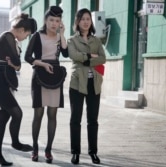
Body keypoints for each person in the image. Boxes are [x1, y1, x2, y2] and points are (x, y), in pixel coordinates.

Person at [0, 13, 37, 166]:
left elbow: (18, 65)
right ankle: (15, 143)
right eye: (26, 35)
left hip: (2, 81)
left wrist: (15, 63)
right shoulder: (7, 36)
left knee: (4, 117)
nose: (25, 38)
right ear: (21, 29)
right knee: (17, 113)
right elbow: (17, 62)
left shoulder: (11, 40)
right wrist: (15, 62)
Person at [24, 6, 68, 164]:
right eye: (51, 20)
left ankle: (48, 150)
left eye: (57, 21)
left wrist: (62, 34)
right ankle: (35, 148)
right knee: (38, 115)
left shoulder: (59, 37)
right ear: (46, 20)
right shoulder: (37, 36)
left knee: (52, 115)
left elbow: (66, 53)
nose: (54, 23)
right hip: (40, 76)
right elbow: (27, 57)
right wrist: (41, 64)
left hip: (55, 77)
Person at [67, 8, 106, 165]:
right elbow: (73, 56)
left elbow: (103, 58)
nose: (86, 21)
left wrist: (85, 59)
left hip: (94, 83)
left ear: (91, 21)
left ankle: (93, 152)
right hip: (77, 83)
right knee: (75, 119)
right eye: (82, 18)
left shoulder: (96, 41)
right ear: (77, 21)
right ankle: (75, 152)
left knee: (93, 120)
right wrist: (91, 56)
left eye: (88, 19)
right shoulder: (72, 40)